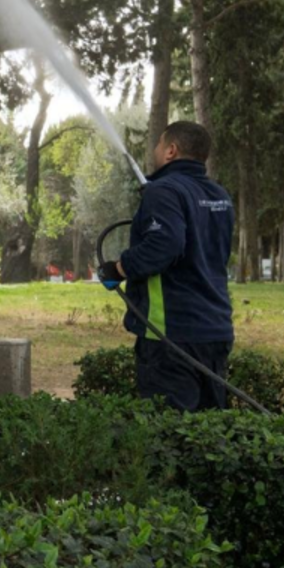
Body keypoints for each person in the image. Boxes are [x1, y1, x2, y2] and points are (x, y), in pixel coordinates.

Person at [98, 122, 235, 412]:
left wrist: (118, 270)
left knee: (170, 434)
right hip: (215, 329)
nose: (156, 150)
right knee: (209, 430)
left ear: (171, 150)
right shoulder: (219, 196)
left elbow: (164, 246)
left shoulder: (163, 191)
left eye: (159, 145)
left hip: (171, 336)